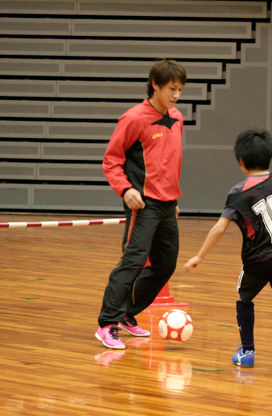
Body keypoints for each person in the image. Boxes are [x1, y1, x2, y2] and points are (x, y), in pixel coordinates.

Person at [183, 129, 272, 377]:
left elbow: (220, 227)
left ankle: (247, 352)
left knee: (244, 299)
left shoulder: (238, 192)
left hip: (259, 260)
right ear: (270, 156)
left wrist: (199, 256)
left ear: (241, 161)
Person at [95, 58, 187, 350]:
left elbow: (168, 161)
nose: (176, 95)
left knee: (166, 264)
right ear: (155, 85)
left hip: (168, 204)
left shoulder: (177, 118)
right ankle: (107, 324)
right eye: (172, 89)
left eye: (180, 90)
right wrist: (125, 190)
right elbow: (111, 160)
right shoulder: (133, 118)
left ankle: (126, 313)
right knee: (133, 262)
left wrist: (172, 196)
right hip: (143, 205)